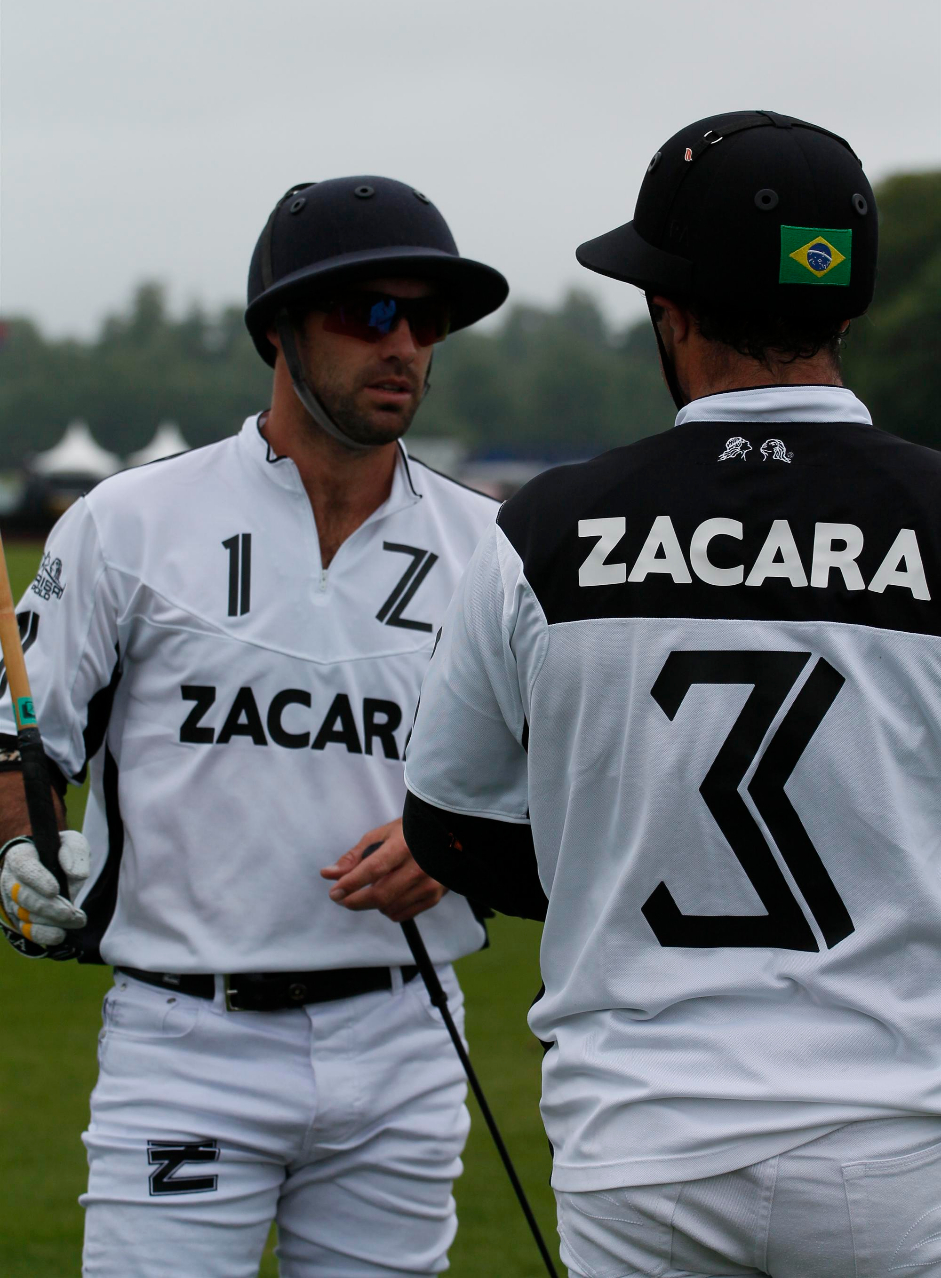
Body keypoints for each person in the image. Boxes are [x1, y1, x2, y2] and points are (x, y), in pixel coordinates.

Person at [401, 113, 941, 1277]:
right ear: (843, 309)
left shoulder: (539, 529)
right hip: (898, 1146)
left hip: (638, 1145)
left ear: (669, 309)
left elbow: (446, 826)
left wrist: (612, 858)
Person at [0, 175, 508, 1278]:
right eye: (369, 313)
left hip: (406, 1037)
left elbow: (567, 781)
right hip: (189, 1038)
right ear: (277, 327)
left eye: (425, 320)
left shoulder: (494, 550)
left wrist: (459, 846)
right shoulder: (129, 524)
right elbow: (18, 741)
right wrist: (13, 851)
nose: (404, 345)